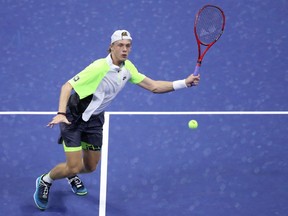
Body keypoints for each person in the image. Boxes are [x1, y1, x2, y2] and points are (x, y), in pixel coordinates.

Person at [33, 29, 200, 210]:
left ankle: (69, 174)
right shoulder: (98, 67)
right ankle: (45, 180)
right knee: (73, 166)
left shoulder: (128, 68)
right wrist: (61, 113)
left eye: (128, 46)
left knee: (89, 167)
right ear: (111, 47)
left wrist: (184, 82)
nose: (124, 49)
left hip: (95, 119)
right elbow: (67, 86)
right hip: (73, 118)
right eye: (120, 45)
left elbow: (154, 87)